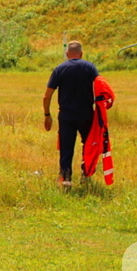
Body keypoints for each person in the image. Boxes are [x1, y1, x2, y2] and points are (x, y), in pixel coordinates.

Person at [43, 41, 99, 187]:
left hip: (66, 115)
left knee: (66, 147)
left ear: (67, 54)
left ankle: (66, 178)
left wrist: (47, 115)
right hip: (86, 114)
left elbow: (47, 96)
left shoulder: (60, 69)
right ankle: (86, 174)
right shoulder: (90, 67)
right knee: (88, 144)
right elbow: (101, 87)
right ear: (81, 54)